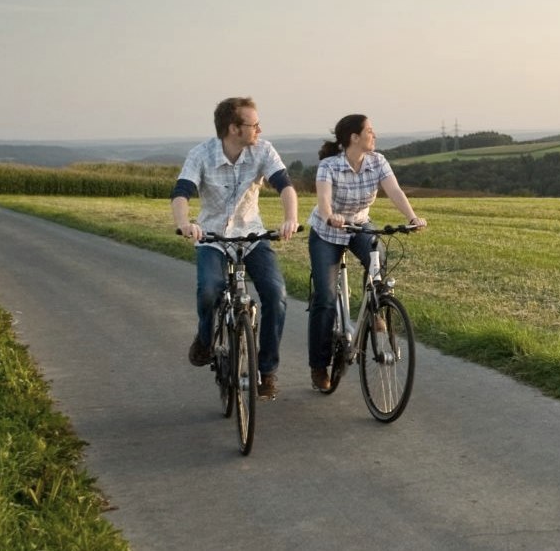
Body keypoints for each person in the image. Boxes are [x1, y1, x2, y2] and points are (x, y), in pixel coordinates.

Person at [171, 97, 301, 399]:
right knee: (208, 290)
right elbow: (182, 192)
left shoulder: (263, 150)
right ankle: (205, 339)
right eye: (253, 124)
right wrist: (184, 222)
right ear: (233, 129)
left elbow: (285, 185)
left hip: (251, 235)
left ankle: (266, 370)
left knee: (275, 294)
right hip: (212, 237)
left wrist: (290, 219)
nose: (259, 129)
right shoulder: (201, 155)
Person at [306, 113, 426, 392]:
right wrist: (330, 216)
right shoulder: (329, 166)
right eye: (370, 131)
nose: (375, 135)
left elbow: (394, 190)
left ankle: (374, 309)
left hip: (359, 225)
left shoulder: (377, 161)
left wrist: (411, 217)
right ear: (354, 138)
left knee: (378, 258)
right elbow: (323, 201)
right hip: (328, 232)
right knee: (324, 297)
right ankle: (318, 366)